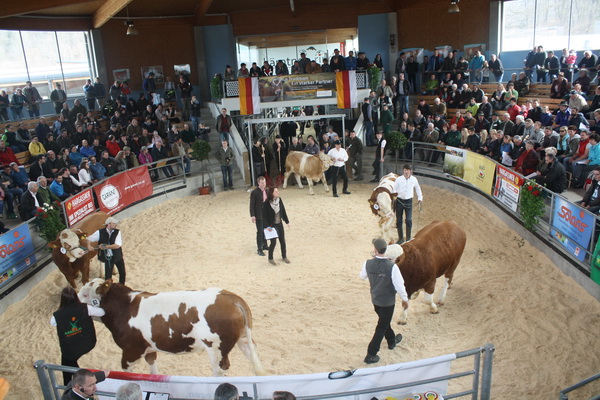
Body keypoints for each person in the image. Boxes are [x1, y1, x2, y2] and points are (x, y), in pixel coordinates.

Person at [359, 238, 409, 364]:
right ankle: (371, 354)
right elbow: (399, 285)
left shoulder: (367, 263)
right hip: (388, 302)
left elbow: (362, 276)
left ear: (375, 250)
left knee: (383, 321)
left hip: (375, 299)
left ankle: (392, 341)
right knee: (382, 326)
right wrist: (405, 299)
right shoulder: (392, 267)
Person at [51, 286, 104, 384]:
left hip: (70, 348)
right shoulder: (85, 308)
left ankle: (71, 383)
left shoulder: (57, 315)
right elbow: (101, 312)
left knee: (66, 363)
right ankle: (79, 379)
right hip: (87, 342)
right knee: (69, 363)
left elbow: (52, 323)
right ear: (76, 296)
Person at [86, 216, 126, 284]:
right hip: (108, 258)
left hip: (117, 256)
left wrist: (106, 246)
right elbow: (89, 239)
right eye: (114, 223)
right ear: (109, 224)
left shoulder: (117, 232)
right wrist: (89, 245)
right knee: (108, 277)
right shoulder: (99, 232)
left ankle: (121, 286)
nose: (116, 224)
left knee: (122, 273)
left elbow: (117, 245)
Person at [393, 165, 423, 243]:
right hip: (399, 201)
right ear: (403, 171)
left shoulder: (414, 179)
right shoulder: (398, 179)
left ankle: (408, 238)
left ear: (410, 171)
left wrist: (420, 198)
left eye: (408, 170)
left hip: (408, 201)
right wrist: (394, 196)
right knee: (399, 220)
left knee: (409, 220)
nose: (406, 171)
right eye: (405, 170)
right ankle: (400, 238)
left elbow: (417, 188)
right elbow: (394, 188)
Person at [263, 187, 290, 265]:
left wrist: (287, 221)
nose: (278, 192)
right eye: (276, 191)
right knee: (273, 242)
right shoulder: (266, 203)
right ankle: (270, 258)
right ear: (271, 193)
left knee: (282, 241)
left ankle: (284, 256)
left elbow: (283, 211)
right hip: (272, 225)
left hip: (279, 223)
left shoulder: (279, 200)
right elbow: (264, 216)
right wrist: (267, 226)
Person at [250, 176, 268, 256]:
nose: (263, 184)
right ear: (258, 183)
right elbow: (251, 205)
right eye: (262, 182)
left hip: (265, 214)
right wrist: (253, 215)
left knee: (265, 230)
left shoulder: (267, 191)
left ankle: (265, 245)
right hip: (259, 214)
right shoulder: (254, 192)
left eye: (264, 182)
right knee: (260, 232)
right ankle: (259, 249)